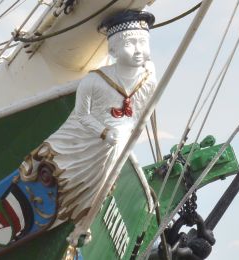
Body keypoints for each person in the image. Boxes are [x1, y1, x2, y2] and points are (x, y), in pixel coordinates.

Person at [22, 10, 158, 245]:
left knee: (104, 176)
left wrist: (124, 137)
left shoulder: (149, 82)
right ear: (113, 49)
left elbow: (140, 119)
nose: (138, 50)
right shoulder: (94, 81)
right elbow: (81, 116)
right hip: (88, 140)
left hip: (116, 145)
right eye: (130, 43)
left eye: (143, 43)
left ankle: (81, 220)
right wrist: (104, 132)